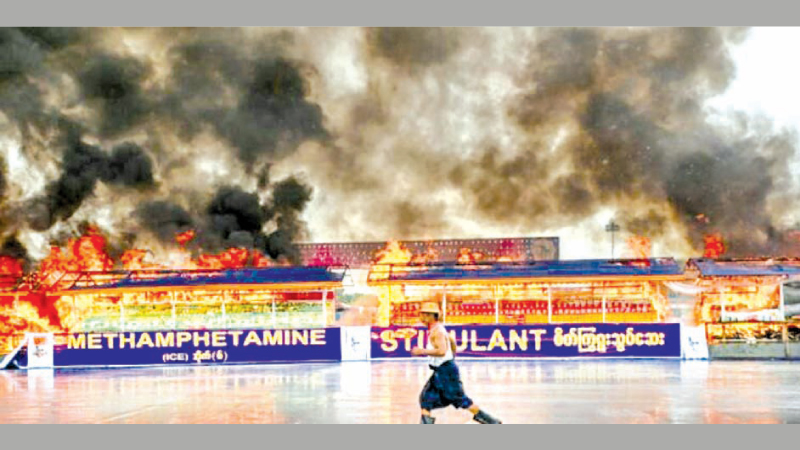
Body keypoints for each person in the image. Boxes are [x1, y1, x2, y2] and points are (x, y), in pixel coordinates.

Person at [410, 301, 502, 424]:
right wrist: (451, 357)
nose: (421, 318)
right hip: (442, 369)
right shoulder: (437, 329)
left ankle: (490, 421)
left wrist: (422, 351)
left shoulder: (437, 332)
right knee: (426, 398)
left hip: (445, 371)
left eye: (424, 315)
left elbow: (442, 351)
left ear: (431, 316)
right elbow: (452, 341)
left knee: (460, 399)